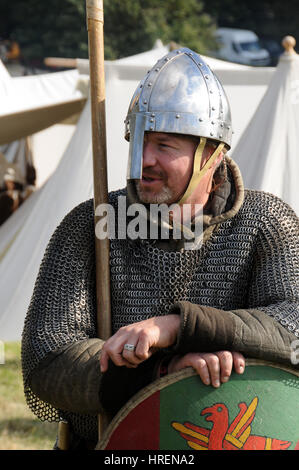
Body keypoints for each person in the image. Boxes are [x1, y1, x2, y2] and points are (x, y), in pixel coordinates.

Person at [21, 48, 299, 449]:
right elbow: (47, 360)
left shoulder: (266, 224)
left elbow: (293, 329)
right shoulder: (92, 225)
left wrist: (177, 327)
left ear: (211, 155)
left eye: (165, 145)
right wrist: (160, 373)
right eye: (139, 144)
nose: (143, 161)